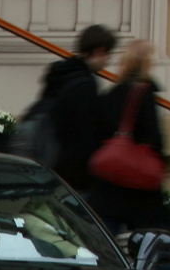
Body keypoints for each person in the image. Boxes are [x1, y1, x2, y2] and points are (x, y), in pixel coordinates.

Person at [88, 39, 168, 233]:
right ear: (147, 63)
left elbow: (98, 133)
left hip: (109, 183)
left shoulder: (112, 93)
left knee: (108, 244)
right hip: (139, 188)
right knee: (152, 246)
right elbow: (153, 138)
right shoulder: (145, 95)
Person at [40, 24, 117, 190]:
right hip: (76, 175)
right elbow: (85, 135)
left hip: (51, 164)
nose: (108, 60)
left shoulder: (60, 74)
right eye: (108, 54)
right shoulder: (86, 84)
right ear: (99, 51)